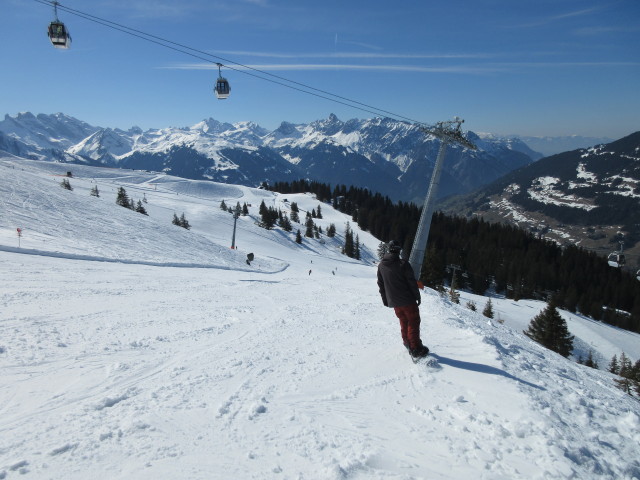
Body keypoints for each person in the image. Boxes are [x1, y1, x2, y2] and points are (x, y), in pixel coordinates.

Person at [377, 240, 429, 358]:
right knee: (413, 321)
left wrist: (386, 300)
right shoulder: (403, 264)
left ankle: (407, 342)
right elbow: (412, 283)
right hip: (407, 300)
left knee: (404, 320)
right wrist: (417, 296)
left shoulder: (381, 266)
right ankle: (415, 348)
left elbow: (381, 285)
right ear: (398, 250)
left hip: (395, 302)